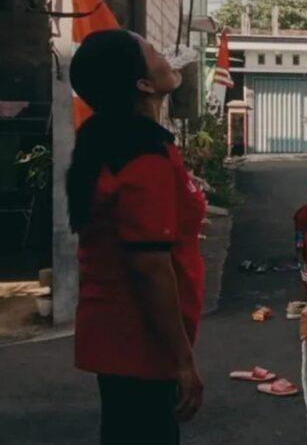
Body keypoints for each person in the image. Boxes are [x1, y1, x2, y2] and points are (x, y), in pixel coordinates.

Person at [66, 29, 205, 445]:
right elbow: (148, 265)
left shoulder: (113, 138)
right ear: (144, 85)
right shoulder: (144, 154)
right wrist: (183, 361)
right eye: (155, 52)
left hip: (121, 336)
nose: (166, 57)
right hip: (140, 339)